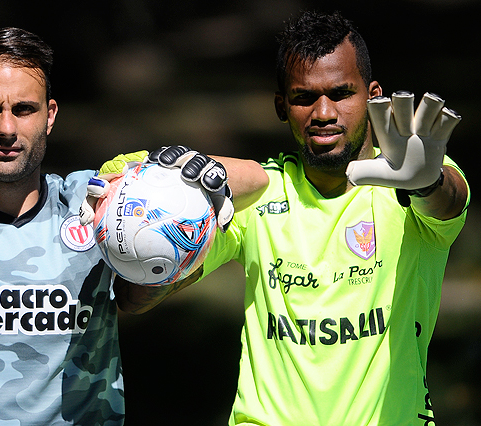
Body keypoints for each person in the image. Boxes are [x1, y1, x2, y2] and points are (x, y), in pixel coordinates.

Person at [0, 27, 265, 425]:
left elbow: (257, 179)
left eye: (24, 109)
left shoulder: (94, 201)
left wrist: (171, 169)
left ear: (49, 115)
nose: (7, 129)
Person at [111, 10, 470, 425]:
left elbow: (448, 202)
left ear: (373, 96)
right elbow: (136, 296)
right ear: (281, 105)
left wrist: (425, 182)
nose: (323, 112)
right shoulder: (256, 197)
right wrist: (155, 212)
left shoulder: (414, 181)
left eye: (341, 93)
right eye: (304, 97)